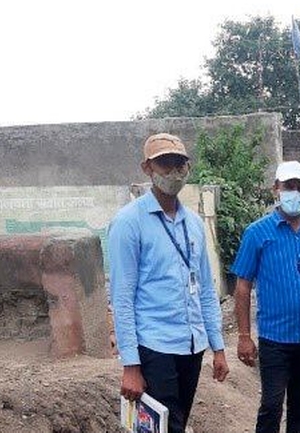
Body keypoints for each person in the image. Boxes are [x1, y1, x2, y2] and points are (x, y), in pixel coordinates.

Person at [108, 133, 229, 433]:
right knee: (161, 428)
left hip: (191, 345)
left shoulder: (194, 224)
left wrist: (218, 348)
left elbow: (206, 290)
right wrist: (131, 365)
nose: (174, 172)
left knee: (177, 422)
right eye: (165, 164)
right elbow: (122, 297)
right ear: (147, 168)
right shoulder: (128, 222)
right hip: (154, 345)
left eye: (180, 164)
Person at [232, 160, 300, 433]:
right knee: (271, 405)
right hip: (276, 339)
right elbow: (242, 287)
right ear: (275, 190)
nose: (295, 192)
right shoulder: (257, 233)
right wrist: (244, 336)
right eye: (289, 186)